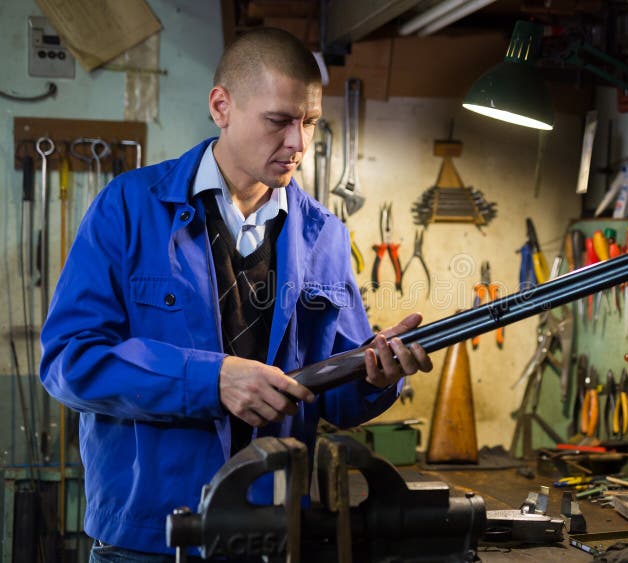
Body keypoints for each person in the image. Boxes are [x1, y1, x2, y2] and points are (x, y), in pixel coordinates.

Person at [40, 27, 432, 561]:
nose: (297, 143)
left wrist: (377, 377)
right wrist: (212, 379)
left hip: (276, 532)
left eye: (310, 123)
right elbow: (69, 360)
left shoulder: (325, 236)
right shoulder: (128, 209)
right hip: (149, 539)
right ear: (221, 106)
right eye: (279, 121)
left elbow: (332, 395)